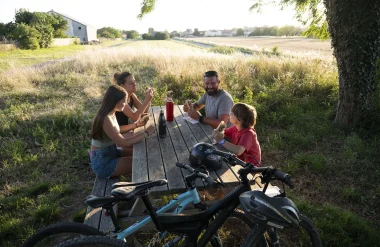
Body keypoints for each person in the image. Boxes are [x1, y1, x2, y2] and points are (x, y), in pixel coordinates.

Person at [90, 85, 155, 178]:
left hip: (111, 152)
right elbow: (122, 142)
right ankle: (140, 189)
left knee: (142, 154)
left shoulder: (111, 112)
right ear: (115, 101)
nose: (125, 104)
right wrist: (146, 132)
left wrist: (135, 125)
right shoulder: (105, 118)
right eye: (124, 101)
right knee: (142, 162)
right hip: (103, 162)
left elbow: (116, 130)